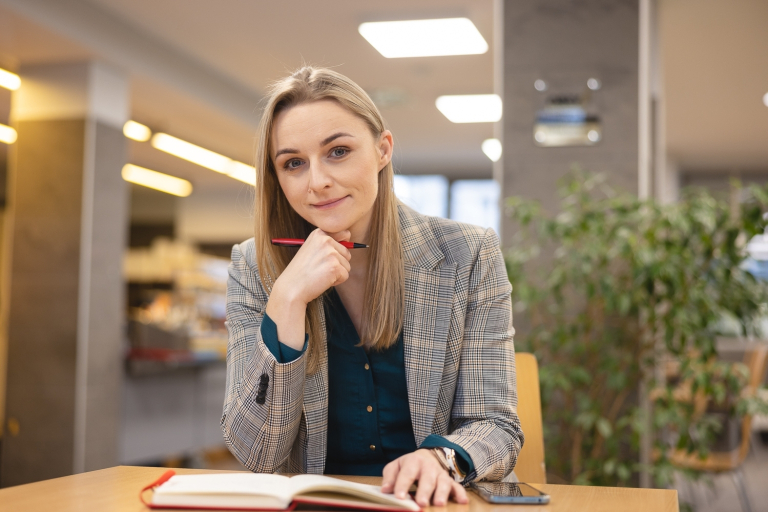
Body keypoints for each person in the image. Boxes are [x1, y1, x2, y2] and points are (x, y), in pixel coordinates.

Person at [222, 67, 523, 507]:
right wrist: (287, 301)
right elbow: (257, 454)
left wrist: (442, 458)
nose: (317, 181)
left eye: (338, 151)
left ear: (383, 150)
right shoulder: (253, 266)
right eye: (293, 163)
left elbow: (497, 425)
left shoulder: (468, 254)